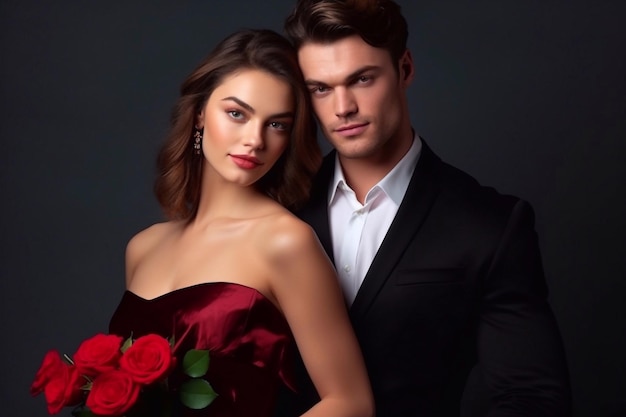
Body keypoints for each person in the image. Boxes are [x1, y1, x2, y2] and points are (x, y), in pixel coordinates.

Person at [279, 1, 573, 416]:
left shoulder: (489, 224)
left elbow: (532, 399)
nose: (342, 107)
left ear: (405, 68)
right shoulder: (279, 205)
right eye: (320, 89)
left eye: (362, 79)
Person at [108, 29, 374, 417]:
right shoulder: (144, 247)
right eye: (237, 114)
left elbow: (351, 403)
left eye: (277, 124)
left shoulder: (286, 242)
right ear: (199, 113)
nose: (255, 140)